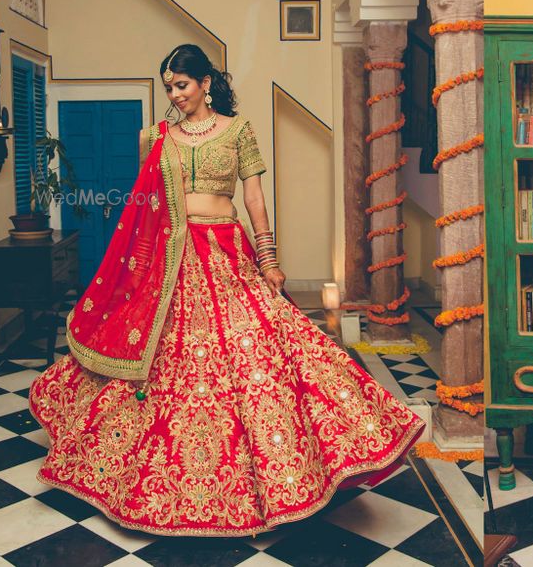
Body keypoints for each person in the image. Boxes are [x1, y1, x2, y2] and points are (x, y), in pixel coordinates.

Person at [29, 44, 425, 536]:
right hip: (172, 259)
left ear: (206, 83)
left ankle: (280, 472)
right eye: (169, 87)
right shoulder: (153, 135)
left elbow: (254, 196)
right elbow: (147, 208)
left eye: (182, 86)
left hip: (225, 253)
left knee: (259, 350)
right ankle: (146, 480)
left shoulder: (238, 130)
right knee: (165, 361)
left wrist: (268, 258)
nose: (174, 96)